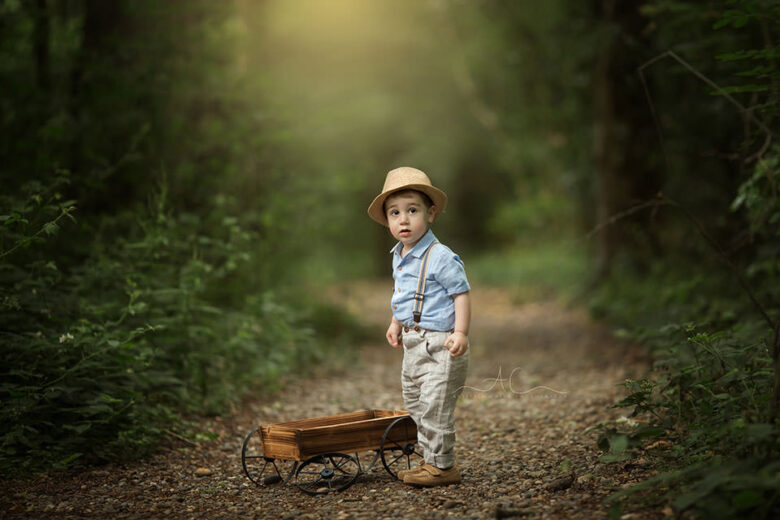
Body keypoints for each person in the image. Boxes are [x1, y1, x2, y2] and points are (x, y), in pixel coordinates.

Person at [367, 166, 471, 486]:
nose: (404, 220)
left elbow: (461, 293)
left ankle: (444, 466)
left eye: (412, 210)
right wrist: (395, 322)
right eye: (395, 213)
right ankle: (429, 460)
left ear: (431, 214)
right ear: (387, 220)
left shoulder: (441, 256)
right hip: (413, 344)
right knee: (415, 402)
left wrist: (460, 332)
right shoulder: (399, 256)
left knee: (435, 406)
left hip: (441, 343)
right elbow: (405, 294)